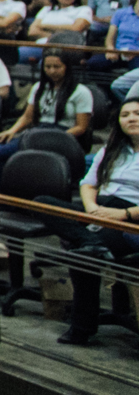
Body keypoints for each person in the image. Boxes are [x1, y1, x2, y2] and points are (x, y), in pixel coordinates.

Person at [40, 98, 139, 346]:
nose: (131, 118)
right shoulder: (111, 149)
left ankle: (82, 329)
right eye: (125, 114)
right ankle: (91, 240)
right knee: (42, 202)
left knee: (82, 255)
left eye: (138, 113)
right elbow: (88, 184)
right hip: (100, 208)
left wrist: (123, 214)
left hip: (132, 216)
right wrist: (92, 208)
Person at [0, 50, 92, 179]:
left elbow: (81, 127)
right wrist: (11, 131)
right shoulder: (38, 87)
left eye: (57, 67)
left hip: (64, 135)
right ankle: (3, 194)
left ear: (67, 67)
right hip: (37, 132)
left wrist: (53, 138)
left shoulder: (81, 92)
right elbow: (27, 117)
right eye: (48, 67)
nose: (52, 71)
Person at [23, 0, 91, 61]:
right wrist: (60, 37)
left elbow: (76, 28)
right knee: (20, 52)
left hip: (66, 49)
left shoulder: (84, 9)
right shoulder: (46, 9)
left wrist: (44, 26)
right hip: (41, 46)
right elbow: (32, 32)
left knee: (46, 62)